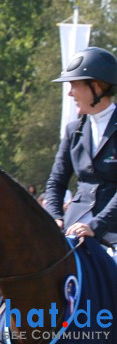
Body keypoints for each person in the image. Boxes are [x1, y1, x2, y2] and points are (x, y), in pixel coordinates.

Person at [45, 46, 117, 247]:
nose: (69, 93)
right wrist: (54, 216)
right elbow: (56, 182)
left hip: (112, 230)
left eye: (74, 85)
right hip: (74, 226)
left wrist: (96, 225)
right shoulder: (73, 130)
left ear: (96, 87)